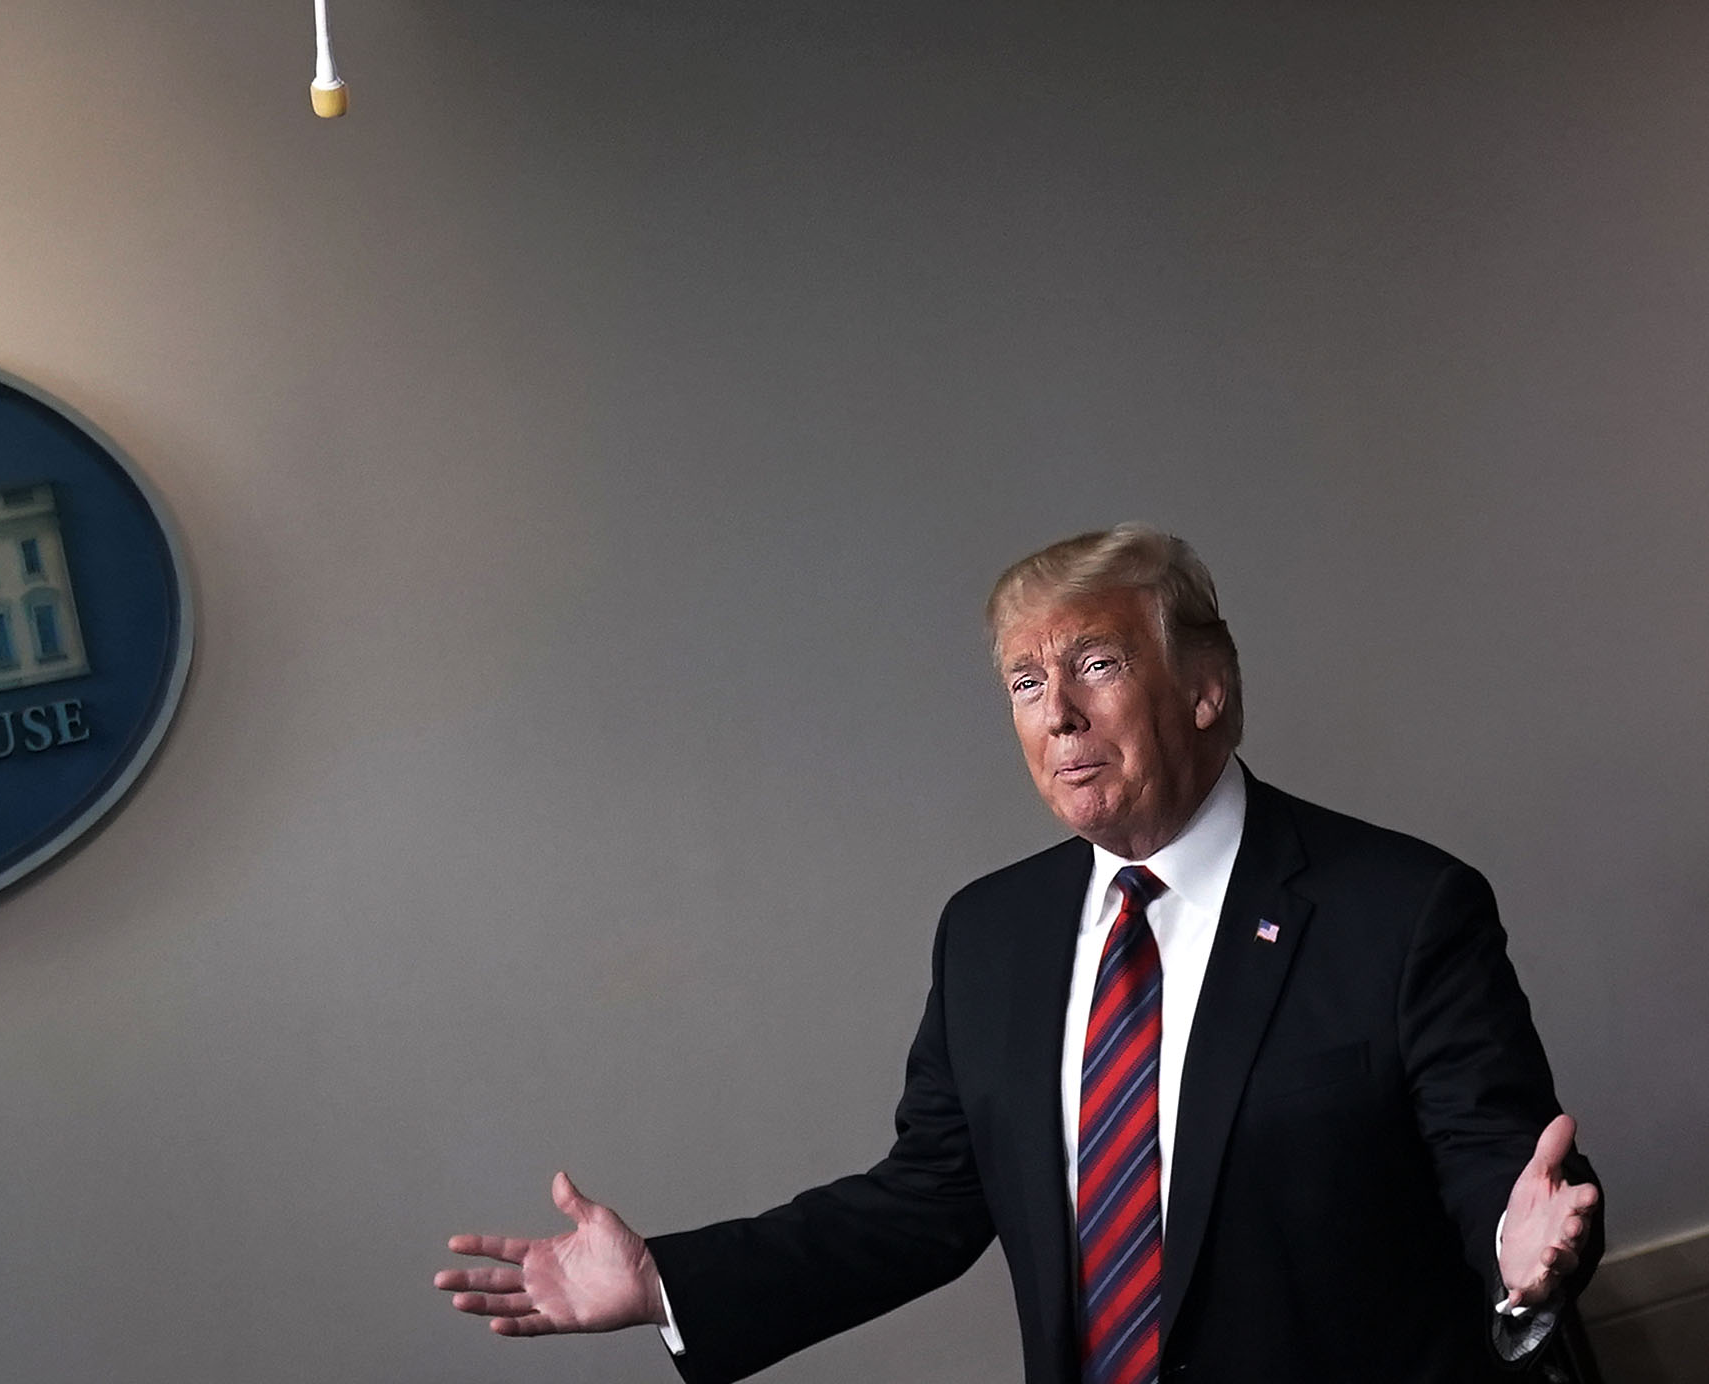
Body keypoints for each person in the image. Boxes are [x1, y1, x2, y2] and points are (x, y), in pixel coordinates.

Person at [437, 524, 1601, 1383]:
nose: (1058, 716)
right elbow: (926, 1201)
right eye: (1026, 682)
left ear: (1205, 688)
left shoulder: (1402, 908)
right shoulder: (990, 936)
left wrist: (1518, 1242)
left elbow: (1491, 1164)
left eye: (1094, 664)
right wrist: (665, 1285)